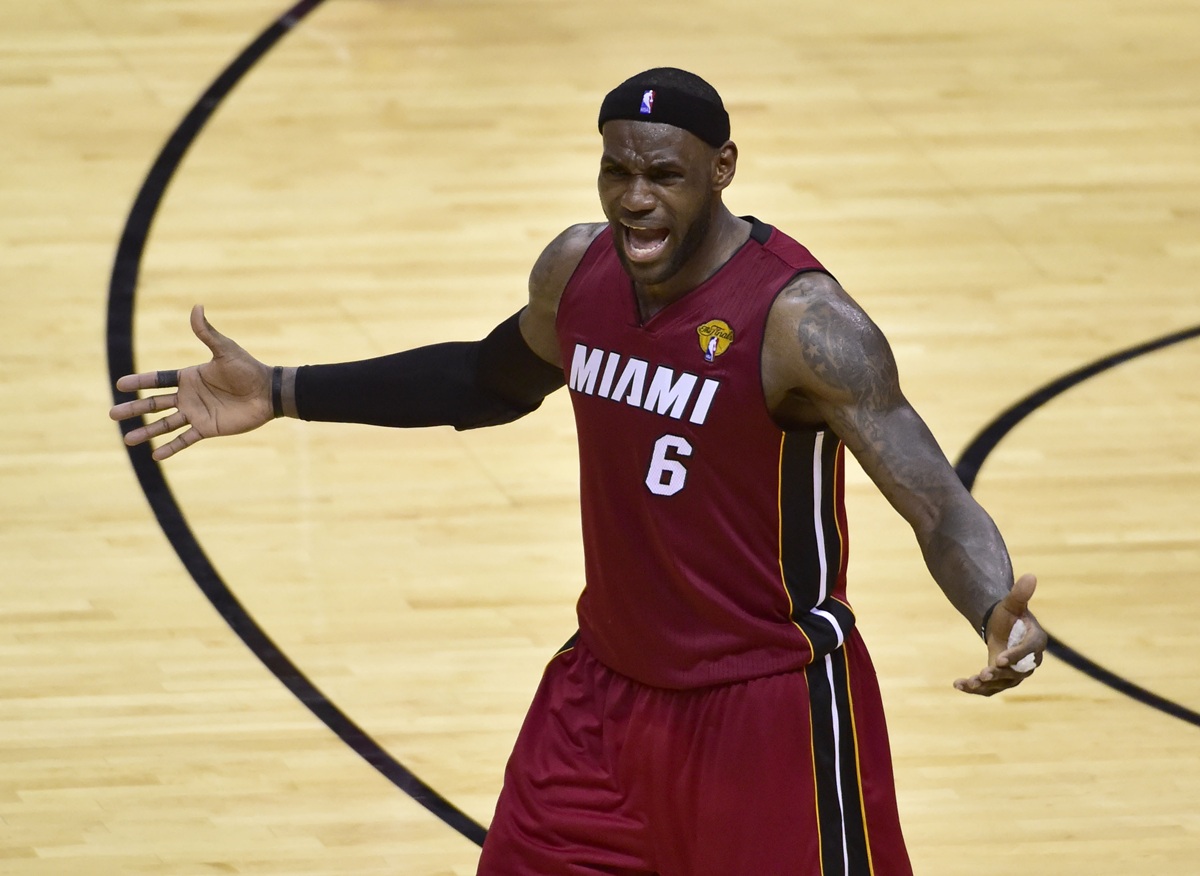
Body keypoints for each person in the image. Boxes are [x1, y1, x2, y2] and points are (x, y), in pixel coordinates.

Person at [111, 67, 1047, 876]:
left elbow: (934, 502)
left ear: (722, 170)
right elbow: (487, 380)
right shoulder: (578, 272)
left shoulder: (804, 324)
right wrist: (282, 388)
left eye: (664, 175)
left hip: (763, 710)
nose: (635, 198)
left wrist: (994, 605)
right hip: (600, 698)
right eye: (618, 170)